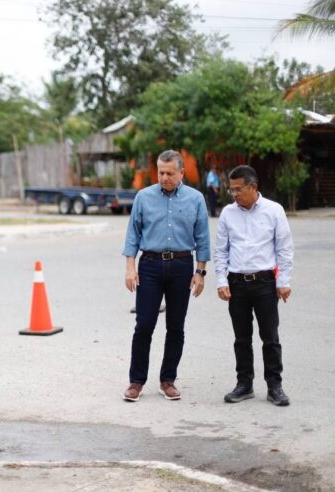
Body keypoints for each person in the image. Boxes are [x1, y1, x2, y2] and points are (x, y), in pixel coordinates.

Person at [122, 150, 210, 402]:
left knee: (176, 326)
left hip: (182, 266)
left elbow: (202, 237)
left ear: (181, 173)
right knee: (144, 324)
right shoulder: (143, 197)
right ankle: (136, 381)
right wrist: (130, 268)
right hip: (149, 265)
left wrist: (200, 272)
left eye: (170, 173)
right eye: (161, 172)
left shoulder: (196, 199)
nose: (164, 177)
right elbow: (133, 234)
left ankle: (167, 380)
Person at [214, 165, 293, 406]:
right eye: (232, 190)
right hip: (236, 283)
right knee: (241, 338)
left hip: (265, 283)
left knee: (270, 337)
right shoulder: (228, 213)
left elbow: (284, 249)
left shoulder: (274, 211)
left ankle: (275, 386)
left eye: (239, 189)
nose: (234, 194)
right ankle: (244, 384)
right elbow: (221, 251)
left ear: (253, 187)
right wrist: (221, 280)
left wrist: (283, 281)